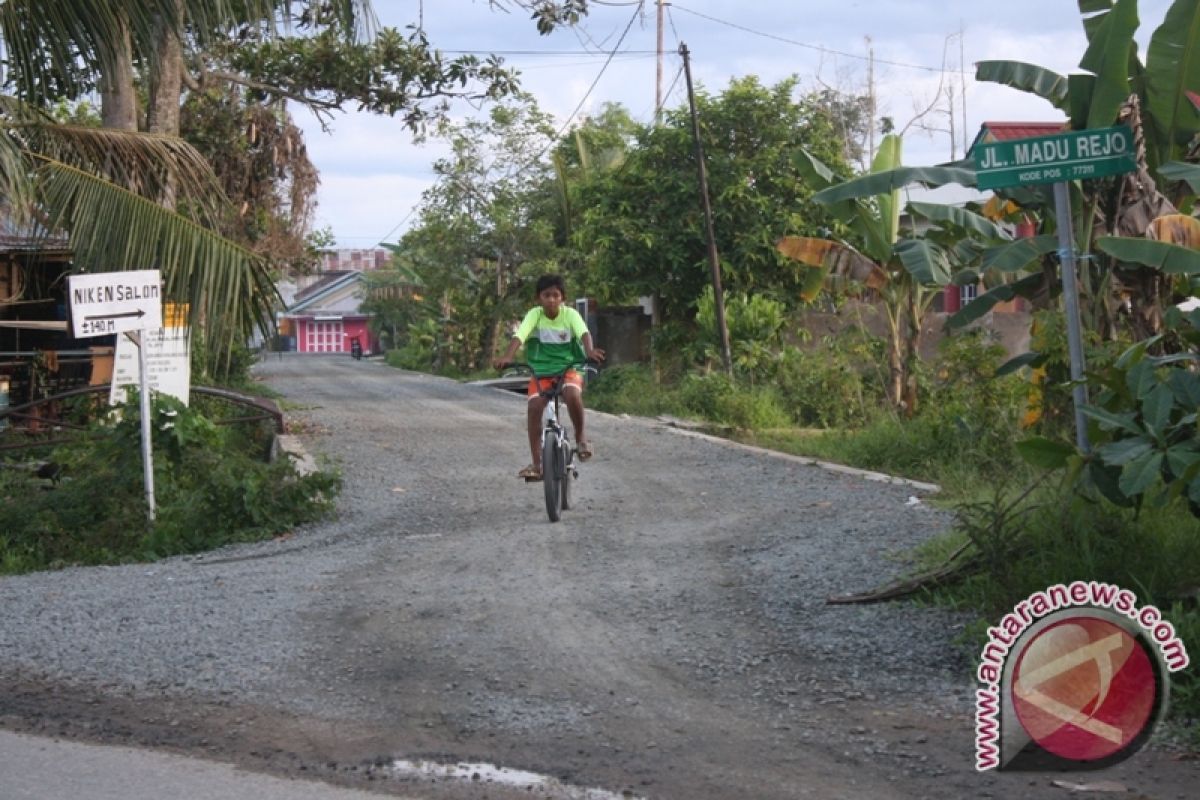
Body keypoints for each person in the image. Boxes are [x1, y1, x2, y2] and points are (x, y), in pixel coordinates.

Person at [494, 274, 605, 480]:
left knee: (572, 394)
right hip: (542, 371)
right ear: (539, 298)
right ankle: (537, 464)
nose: (551, 300)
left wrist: (589, 351)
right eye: (546, 295)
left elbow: (584, 333)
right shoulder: (534, 315)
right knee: (534, 408)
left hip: (569, 368)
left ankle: (581, 437)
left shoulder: (570, 315)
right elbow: (520, 336)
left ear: (562, 298)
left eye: (556, 295)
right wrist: (508, 356)